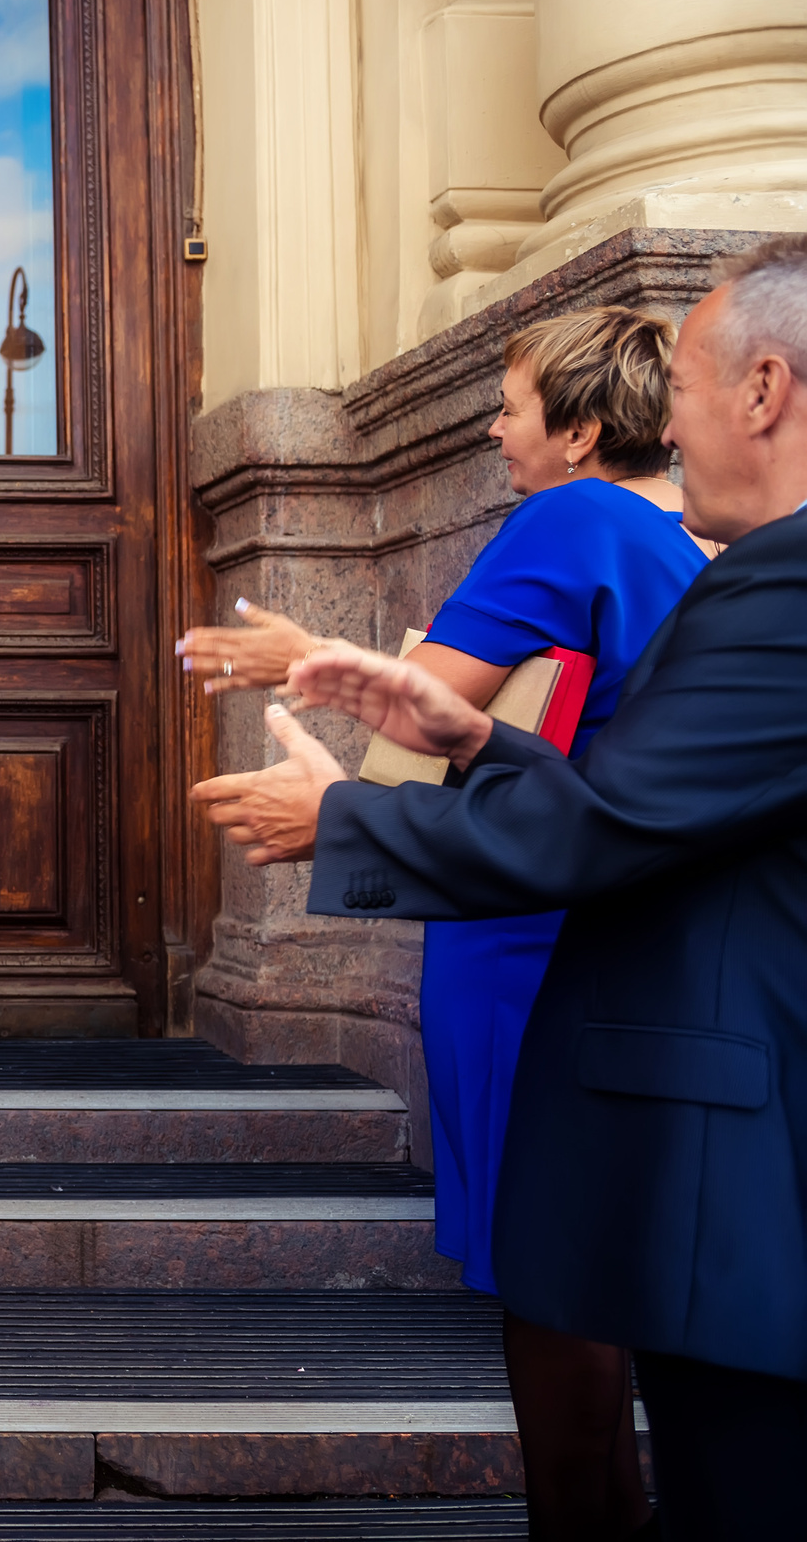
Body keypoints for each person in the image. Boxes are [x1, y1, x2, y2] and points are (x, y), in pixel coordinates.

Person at [191, 234, 807, 1540]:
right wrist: (475, 739)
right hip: (700, 1034)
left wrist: (346, 820)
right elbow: (685, 795)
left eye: (686, 389)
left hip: (689, 1050)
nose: (669, 424)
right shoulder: (733, 563)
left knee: (607, 1318)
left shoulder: (769, 576)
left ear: (763, 391)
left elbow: (619, 820)